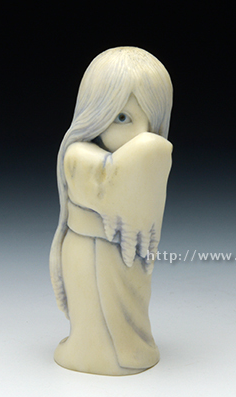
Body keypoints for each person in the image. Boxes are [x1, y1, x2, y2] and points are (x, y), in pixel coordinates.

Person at [50, 46, 173, 375]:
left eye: (151, 122)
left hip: (124, 260)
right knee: (90, 315)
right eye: (123, 118)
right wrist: (149, 147)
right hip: (83, 252)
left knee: (129, 318)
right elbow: (108, 178)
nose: (140, 135)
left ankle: (129, 351)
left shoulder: (143, 159)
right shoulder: (77, 156)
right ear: (97, 111)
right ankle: (85, 350)